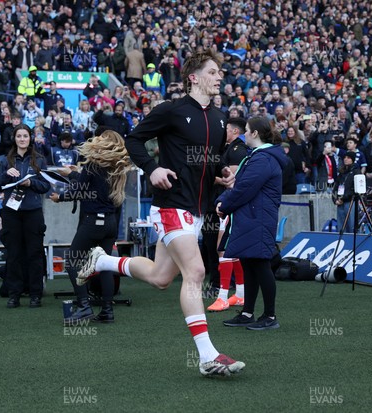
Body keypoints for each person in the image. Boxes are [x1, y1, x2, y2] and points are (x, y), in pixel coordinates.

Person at [76, 49, 244, 377]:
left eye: (220, 73)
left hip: (197, 211)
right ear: (193, 77)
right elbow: (134, 140)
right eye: (213, 72)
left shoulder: (220, 117)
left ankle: (102, 261)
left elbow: (211, 158)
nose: (219, 77)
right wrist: (152, 168)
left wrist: (223, 172)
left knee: (160, 278)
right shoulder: (171, 110)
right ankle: (208, 356)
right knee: (195, 271)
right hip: (170, 205)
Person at [50, 131, 131, 324]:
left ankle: (84, 306)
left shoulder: (93, 164)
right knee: (104, 266)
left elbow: (80, 190)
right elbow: (93, 184)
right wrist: (74, 174)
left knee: (72, 261)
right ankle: (107, 311)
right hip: (111, 222)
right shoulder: (117, 167)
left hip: (94, 221)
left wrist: (59, 197)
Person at [216, 116, 285, 330]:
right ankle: (248, 313)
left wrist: (223, 204)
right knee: (249, 263)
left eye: (246, 130)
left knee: (260, 265)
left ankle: (270, 316)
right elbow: (240, 186)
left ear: (255, 133)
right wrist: (223, 202)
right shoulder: (259, 156)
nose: (244, 134)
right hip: (253, 218)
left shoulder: (263, 159)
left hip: (258, 218)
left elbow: (244, 188)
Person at [0, 124, 51, 308]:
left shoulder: (40, 160)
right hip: (11, 213)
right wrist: (5, 175)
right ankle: (14, 294)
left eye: (25, 136)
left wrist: (30, 182)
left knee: (35, 254)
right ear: (15, 138)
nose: (22, 139)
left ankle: (35, 294)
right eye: (19, 136)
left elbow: (46, 186)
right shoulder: (5, 160)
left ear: (30, 138)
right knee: (13, 255)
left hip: (33, 212)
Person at [207, 117, 248, 312]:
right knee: (230, 249)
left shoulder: (238, 149)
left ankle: (223, 296)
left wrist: (224, 201)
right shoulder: (229, 148)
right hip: (230, 202)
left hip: (231, 203)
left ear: (234, 131)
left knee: (223, 248)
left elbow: (231, 181)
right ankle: (240, 294)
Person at [332, 152, 361, 234]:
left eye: (348, 157)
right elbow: (335, 187)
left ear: (352, 159)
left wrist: (344, 198)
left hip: (350, 202)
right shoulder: (341, 172)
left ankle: (353, 244)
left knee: (351, 225)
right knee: (341, 227)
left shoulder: (356, 172)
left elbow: (356, 189)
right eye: (345, 157)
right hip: (340, 202)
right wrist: (335, 199)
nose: (345, 159)